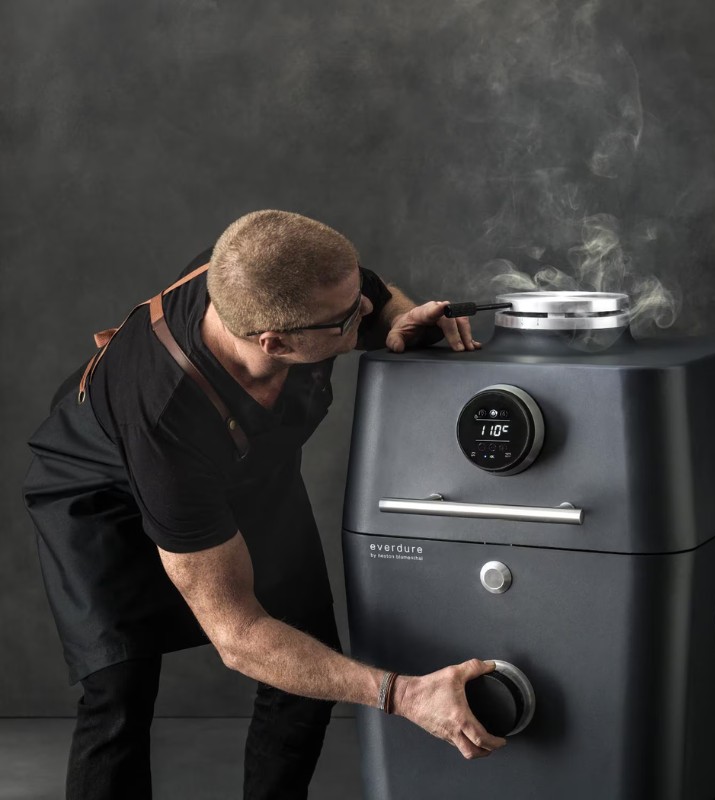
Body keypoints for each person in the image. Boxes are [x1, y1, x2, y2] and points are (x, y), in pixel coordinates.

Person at [23, 210, 505, 800]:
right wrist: (400, 695)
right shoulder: (165, 418)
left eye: (358, 301)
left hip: (248, 470)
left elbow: (373, 300)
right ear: (273, 340)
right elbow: (239, 633)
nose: (363, 316)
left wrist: (400, 317)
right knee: (119, 687)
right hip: (104, 487)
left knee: (309, 665)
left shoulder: (284, 275)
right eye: (346, 320)